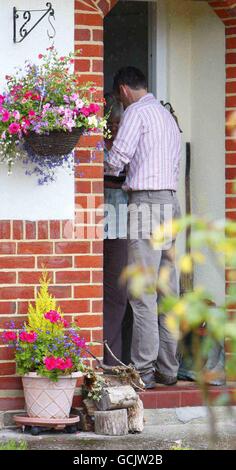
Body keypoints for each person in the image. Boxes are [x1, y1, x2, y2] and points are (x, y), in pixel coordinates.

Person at [105, 67, 182, 388]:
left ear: (123, 91)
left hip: (146, 202)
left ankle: (144, 370)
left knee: (142, 292)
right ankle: (169, 368)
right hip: (171, 202)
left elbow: (116, 160)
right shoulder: (166, 116)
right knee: (168, 289)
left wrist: (98, 158)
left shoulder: (135, 113)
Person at [103, 93, 129, 365]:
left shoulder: (126, 145)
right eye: (113, 121)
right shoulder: (96, 144)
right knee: (94, 290)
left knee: (118, 294)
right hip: (93, 223)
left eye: (119, 121)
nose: (116, 126)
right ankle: (98, 357)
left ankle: (113, 361)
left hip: (120, 225)